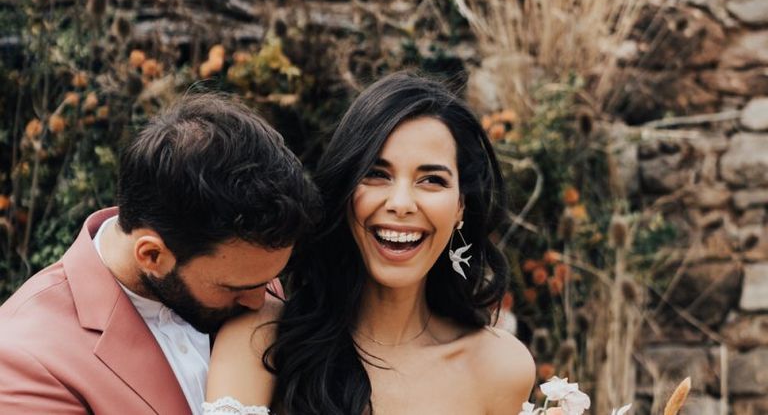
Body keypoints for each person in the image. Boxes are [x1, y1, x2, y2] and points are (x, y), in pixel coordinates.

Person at [206, 72, 535, 414]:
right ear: (346, 190)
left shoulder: (501, 368)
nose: (402, 203)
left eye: (432, 180)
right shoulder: (262, 338)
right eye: (377, 174)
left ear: (460, 207)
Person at [0, 92, 319, 415]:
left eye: (269, 278)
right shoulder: (26, 359)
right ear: (152, 255)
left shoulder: (244, 269)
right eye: (235, 288)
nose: (261, 300)